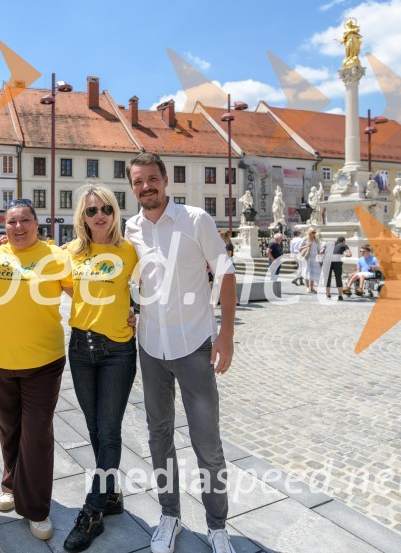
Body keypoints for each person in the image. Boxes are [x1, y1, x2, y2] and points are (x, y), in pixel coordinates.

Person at [124, 153, 237, 553]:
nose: (146, 187)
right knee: (159, 437)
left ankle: (217, 526)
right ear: (132, 187)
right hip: (151, 347)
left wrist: (226, 335)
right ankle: (169, 516)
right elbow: (129, 278)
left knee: (207, 443)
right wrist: (131, 311)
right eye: (138, 182)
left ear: (165, 180)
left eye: (152, 179)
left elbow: (225, 272)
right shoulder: (131, 228)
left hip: (194, 345)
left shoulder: (195, 220)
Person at [0, 198, 71, 542]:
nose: (18, 227)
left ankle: (36, 507)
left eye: (24, 221)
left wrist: (128, 313)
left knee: (37, 433)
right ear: (4, 227)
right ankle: (10, 484)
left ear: (37, 223)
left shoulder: (56, 257)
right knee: (8, 426)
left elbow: (85, 295)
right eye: (11, 222)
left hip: (43, 362)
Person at [62, 185, 138, 552]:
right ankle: (111, 495)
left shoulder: (129, 251)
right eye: (91, 210)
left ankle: (92, 512)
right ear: (83, 217)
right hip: (80, 348)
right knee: (93, 428)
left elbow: (154, 286)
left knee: (108, 432)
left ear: (115, 212)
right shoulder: (70, 253)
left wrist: (135, 311)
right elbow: (61, 283)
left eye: (106, 208)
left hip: (117, 351)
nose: (100, 215)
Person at [299, 228, 323, 294]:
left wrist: (320, 259)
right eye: (313, 232)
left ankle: (311, 288)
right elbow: (299, 247)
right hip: (307, 258)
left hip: (314, 258)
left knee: (312, 273)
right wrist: (307, 245)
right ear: (309, 232)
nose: (314, 233)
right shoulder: (305, 239)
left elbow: (318, 250)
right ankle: (307, 287)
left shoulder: (316, 240)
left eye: (315, 232)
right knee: (307, 272)